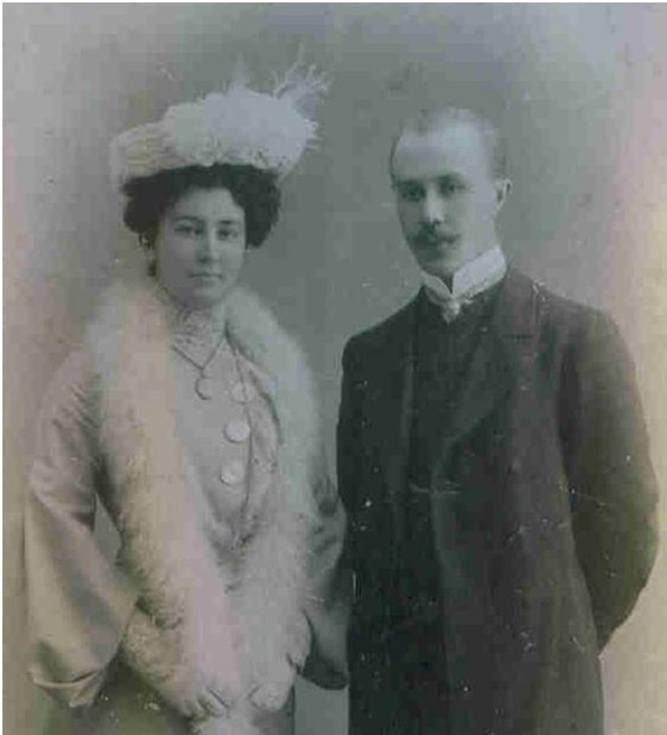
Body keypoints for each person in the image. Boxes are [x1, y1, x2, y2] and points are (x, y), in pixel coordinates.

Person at [25, 66, 348, 735]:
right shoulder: (98, 372)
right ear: (152, 233)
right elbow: (52, 521)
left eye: (227, 231)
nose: (210, 252)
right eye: (189, 229)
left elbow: (314, 520)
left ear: (248, 237)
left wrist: (287, 634)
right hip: (150, 691)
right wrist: (157, 655)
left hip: (260, 685)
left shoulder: (274, 375)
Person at [337, 107, 660, 735]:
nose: (431, 213)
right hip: (403, 705)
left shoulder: (574, 341)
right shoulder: (370, 357)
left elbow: (627, 531)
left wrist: (551, 641)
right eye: (412, 193)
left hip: (533, 699)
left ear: (499, 194)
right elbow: (366, 536)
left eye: (451, 187)